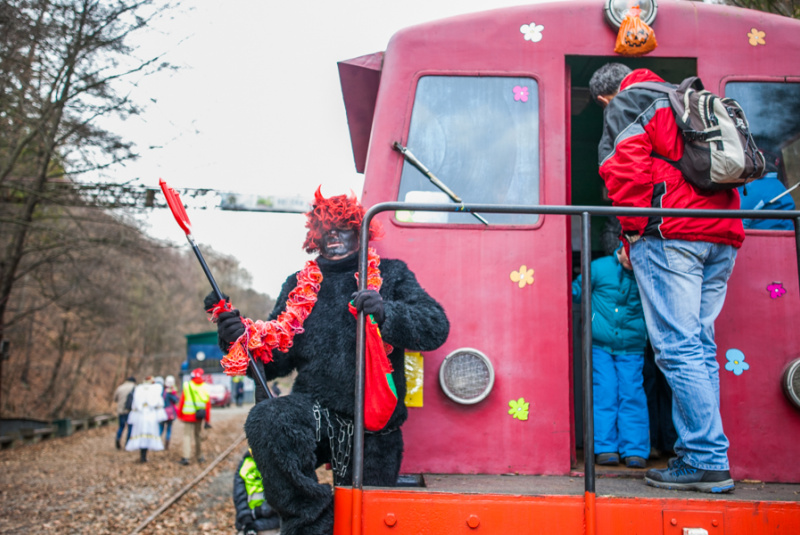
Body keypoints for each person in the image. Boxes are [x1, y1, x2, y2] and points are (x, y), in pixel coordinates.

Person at [205, 187, 450, 534]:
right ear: (313, 237)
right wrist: (235, 337)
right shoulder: (298, 285)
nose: (333, 233)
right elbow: (272, 364)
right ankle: (312, 521)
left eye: (342, 226)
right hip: (314, 415)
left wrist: (387, 312)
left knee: (371, 522)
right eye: (325, 227)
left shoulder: (392, 274)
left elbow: (435, 327)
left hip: (375, 426)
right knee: (267, 417)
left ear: (360, 231)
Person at [590, 63, 742, 493]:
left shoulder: (628, 102)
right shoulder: (685, 97)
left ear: (605, 97)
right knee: (700, 345)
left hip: (671, 233)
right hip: (724, 233)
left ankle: (706, 459)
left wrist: (634, 228)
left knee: (677, 348)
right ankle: (705, 455)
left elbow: (623, 169)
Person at [573, 244, 650, 469]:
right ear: (621, 244)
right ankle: (605, 448)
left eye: (639, 256)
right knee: (605, 392)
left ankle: (635, 450)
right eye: (630, 253)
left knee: (632, 394)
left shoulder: (646, 269)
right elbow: (578, 291)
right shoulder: (599, 268)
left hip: (632, 346)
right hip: (600, 345)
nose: (633, 260)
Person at [233, 450, 280, 535]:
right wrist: (247, 521)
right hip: (250, 523)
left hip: (274, 524)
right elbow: (239, 498)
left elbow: (281, 498)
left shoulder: (278, 464)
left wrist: (258, 512)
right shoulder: (244, 465)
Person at [125, 376, 165, 462]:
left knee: (141, 434)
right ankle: (144, 455)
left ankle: (142, 455)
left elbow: (134, 404)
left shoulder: (139, 389)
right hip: (150, 415)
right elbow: (159, 403)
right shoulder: (155, 390)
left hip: (140, 415)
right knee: (147, 435)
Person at [177, 368, 211, 466]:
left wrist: (180, 415)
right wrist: (207, 420)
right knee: (198, 435)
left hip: (188, 415)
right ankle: (200, 456)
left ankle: (186, 457)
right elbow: (207, 405)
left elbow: (182, 401)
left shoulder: (187, 385)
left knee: (187, 436)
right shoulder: (205, 387)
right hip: (199, 416)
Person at [112, 376, 136, 450]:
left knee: (121, 426)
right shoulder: (135, 387)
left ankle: (118, 438)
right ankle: (127, 443)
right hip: (130, 411)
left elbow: (115, 399)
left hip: (121, 411)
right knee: (130, 427)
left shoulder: (120, 387)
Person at [160, 375, 179, 450]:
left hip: (162, 412)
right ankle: (166, 445)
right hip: (169, 414)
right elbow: (176, 400)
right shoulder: (170, 392)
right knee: (168, 429)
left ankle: (158, 443)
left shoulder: (162, 391)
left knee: (161, 429)